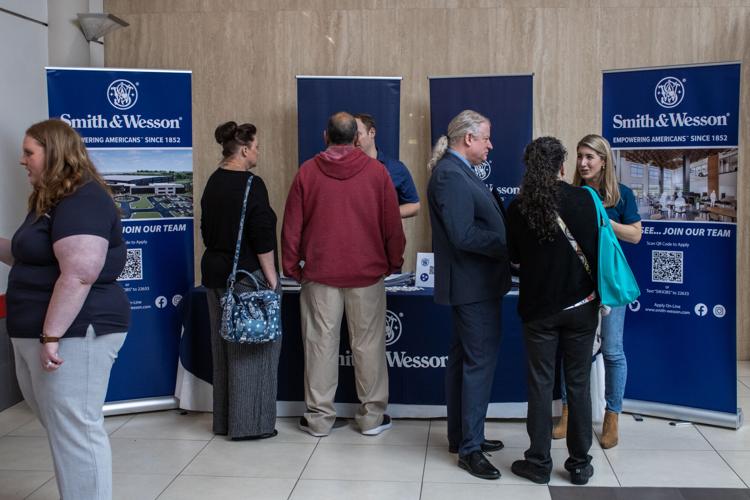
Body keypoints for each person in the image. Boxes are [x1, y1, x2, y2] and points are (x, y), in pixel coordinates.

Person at [0, 119, 129, 499]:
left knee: (76, 430)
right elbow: (29, 258)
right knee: (63, 427)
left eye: (29, 153)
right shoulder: (50, 201)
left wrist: (51, 335)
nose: (23, 161)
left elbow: (80, 273)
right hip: (44, 331)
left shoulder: (83, 199)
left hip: (76, 331)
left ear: (54, 153)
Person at [282, 111, 405, 437]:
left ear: (325, 136)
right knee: (369, 346)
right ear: (357, 138)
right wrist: (394, 261)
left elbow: (291, 226)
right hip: (367, 275)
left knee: (320, 346)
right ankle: (371, 418)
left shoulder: (306, 173)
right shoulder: (378, 174)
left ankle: (319, 419)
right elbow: (392, 225)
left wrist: (291, 267)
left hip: (320, 275)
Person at [507, 136, 600, 486]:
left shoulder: (518, 208)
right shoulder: (586, 199)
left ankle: (539, 461)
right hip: (583, 306)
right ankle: (579, 464)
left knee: (541, 384)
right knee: (578, 383)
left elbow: (515, 258)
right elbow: (595, 250)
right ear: (562, 166)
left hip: (539, 311)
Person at [426, 109, 511, 480]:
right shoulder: (450, 175)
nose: (491, 145)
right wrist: (507, 246)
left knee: (464, 362)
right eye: (487, 138)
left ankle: (462, 436)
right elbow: (463, 235)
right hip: (472, 287)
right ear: (468, 139)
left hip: (474, 285)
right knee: (478, 364)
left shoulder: (456, 172)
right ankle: (470, 450)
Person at [552, 134, 642, 449]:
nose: (583, 162)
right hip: (577, 284)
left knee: (613, 350)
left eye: (590, 156)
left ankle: (612, 416)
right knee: (575, 352)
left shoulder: (623, 195)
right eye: (579, 156)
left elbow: (635, 235)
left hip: (610, 284)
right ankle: (567, 412)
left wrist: (603, 219)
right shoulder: (573, 194)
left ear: (604, 160)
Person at [200, 121, 281, 440]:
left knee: (223, 349)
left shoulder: (213, 181)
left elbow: (207, 231)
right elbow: (261, 236)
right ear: (244, 149)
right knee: (254, 351)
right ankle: (251, 426)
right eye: (257, 147)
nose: (258, 152)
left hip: (215, 274)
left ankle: (224, 421)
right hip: (248, 278)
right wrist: (272, 277)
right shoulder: (251, 184)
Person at [354, 113, 420, 218]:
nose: (354, 139)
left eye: (358, 134)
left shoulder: (395, 168)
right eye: (351, 135)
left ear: (372, 132)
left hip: (382, 233)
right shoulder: (346, 168)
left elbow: (414, 205)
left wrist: (385, 215)